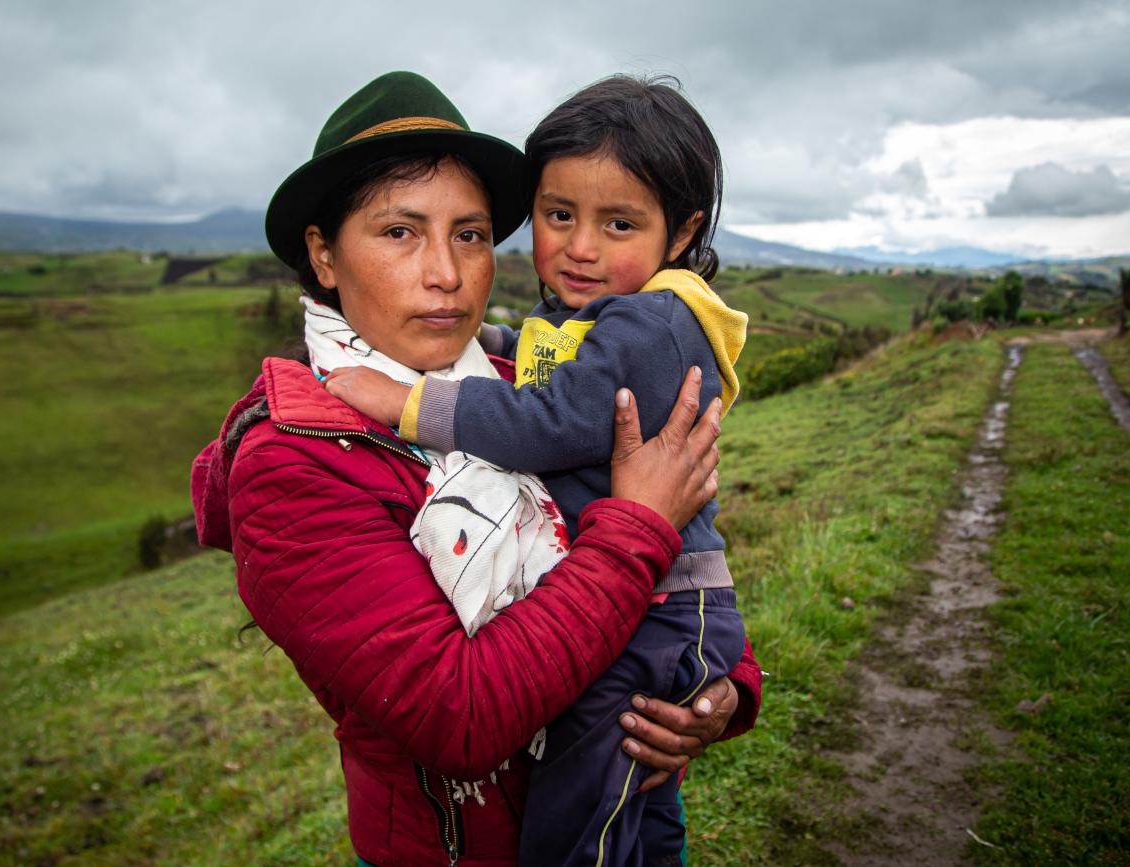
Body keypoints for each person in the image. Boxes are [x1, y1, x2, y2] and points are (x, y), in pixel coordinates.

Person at [190, 71, 762, 866]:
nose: (448, 275)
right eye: (399, 232)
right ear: (323, 254)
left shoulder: (511, 373)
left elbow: (678, 539)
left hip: (621, 804)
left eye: (470, 234)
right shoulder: (292, 463)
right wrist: (640, 528)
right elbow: (460, 719)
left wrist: (721, 687)